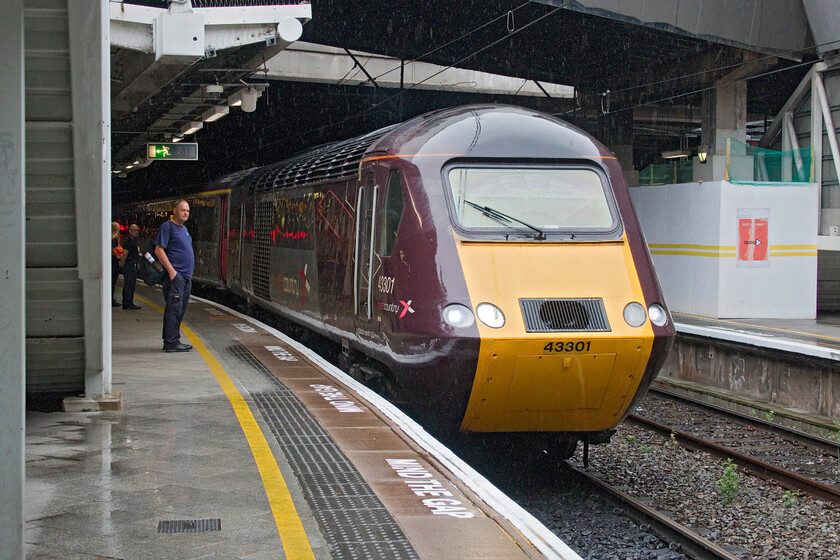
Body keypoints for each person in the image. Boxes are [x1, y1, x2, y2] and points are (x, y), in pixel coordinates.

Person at [154, 200, 194, 352]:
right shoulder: (167, 227)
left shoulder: (183, 229)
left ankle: (174, 339)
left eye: (188, 211)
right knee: (173, 309)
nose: (186, 213)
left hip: (185, 277)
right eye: (183, 210)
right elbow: (159, 250)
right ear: (175, 211)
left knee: (180, 309)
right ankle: (171, 342)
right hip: (176, 276)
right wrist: (172, 271)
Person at [120, 224, 141, 309]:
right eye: (134, 230)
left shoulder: (132, 240)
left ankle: (128, 302)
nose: (136, 232)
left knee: (130, 284)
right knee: (129, 284)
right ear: (130, 231)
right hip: (130, 264)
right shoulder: (130, 240)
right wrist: (122, 262)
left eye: (137, 230)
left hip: (131, 264)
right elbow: (125, 252)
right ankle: (128, 303)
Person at [110, 221, 122, 307]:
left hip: (111, 262)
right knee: (113, 282)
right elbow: (111, 249)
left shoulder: (109, 238)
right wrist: (117, 255)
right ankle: (111, 300)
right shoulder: (114, 239)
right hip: (114, 263)